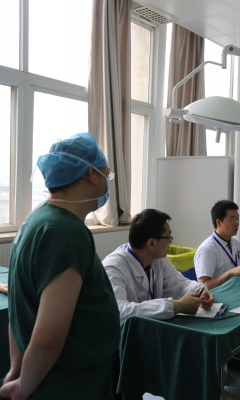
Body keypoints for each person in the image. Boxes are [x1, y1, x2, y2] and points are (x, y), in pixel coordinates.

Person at [1, 133, 120, 399]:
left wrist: (17, 369)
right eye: (107, 174)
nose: (107, 183)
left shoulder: (37, 219)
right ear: (91, 174)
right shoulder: (65, 232)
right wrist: (22, 387)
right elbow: (47, 340)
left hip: (44, 377)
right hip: (69, 383)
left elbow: (20, 309)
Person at [102, 209, 214, 323]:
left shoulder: (157, 259)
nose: (170, 242)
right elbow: (118, 311)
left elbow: (179, 284)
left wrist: (200, 291)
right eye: (168, 237)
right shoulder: (113, 267)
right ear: (151, 243)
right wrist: (175, 307)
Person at [195, 200, 240, 290]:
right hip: (219, 295)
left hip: (237, 290)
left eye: (238, 219)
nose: (237, 223)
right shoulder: (207, 249)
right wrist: (230, 273)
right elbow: (203, 285)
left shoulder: (237, 243)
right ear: (218, 222)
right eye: (233, 220)